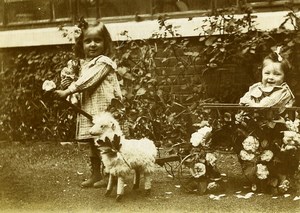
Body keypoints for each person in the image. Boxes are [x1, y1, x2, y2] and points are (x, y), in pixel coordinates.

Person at [55, 18, 122, 188]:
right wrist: (67, 83)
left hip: (104, 108)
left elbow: (88, 80)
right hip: (89, 107)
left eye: (97, 40)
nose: (92, 44)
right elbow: (79, 78)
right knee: (93, 142)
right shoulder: (84, 64)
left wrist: (68, 90)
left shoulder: (104, 63)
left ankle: (110, 174)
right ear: (81, 44)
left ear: (105, 43)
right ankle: (96, 174)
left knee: (107, 142)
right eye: (88, 41)